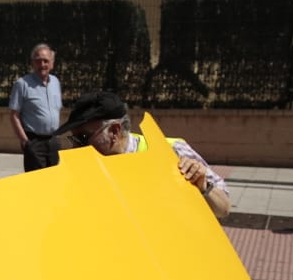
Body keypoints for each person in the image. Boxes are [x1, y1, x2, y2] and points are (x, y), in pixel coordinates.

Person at [51, 90, 232, 219]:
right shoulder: (87, 168)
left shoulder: (171, 151)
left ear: (114, 131)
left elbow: (223, 209)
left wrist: (203, 187)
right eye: (74, 139)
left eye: (83, 137)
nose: (76, 147)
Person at [8, 43, 63, 172]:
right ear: (33, 63)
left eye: (46, 61)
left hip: (53, 142)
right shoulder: (22, 84)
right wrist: (25, 142)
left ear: (52, 63)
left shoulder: (56, 82)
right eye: (38, 61)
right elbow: (14, 115)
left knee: (55, 180)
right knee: (37, 184)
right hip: (34, 142)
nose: (42, 64)